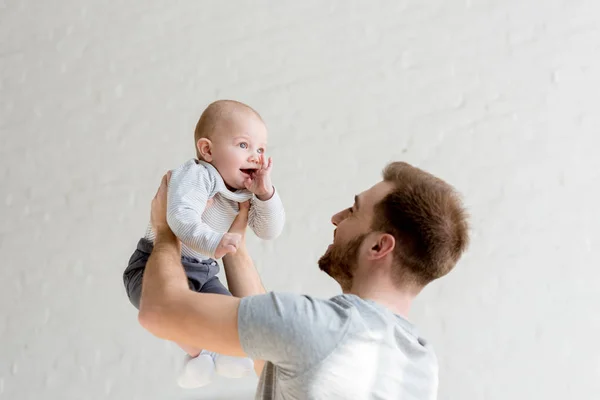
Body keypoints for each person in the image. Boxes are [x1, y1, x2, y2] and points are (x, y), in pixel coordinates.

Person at [138, 161, 469, 399]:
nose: (336, 218)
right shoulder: (420, 364)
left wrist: (167, 230)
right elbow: (270, 352)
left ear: (379, 246)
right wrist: (233, 238)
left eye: (353, 210)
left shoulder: (320, 327)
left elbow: (158, 310)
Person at [122, 100, 285, 388]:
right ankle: (203, 353)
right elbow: (178, 217)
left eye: (261, 149)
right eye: (244, 145)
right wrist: (215, 241)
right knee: (168, 312)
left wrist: (266, 194)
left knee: (231, 315)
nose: (256, 157)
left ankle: (213, 355)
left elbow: (268, 230)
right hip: (151, 265)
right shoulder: (198, 175)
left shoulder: (245, 192)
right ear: (207, 150)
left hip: (203, 270)